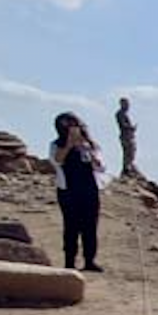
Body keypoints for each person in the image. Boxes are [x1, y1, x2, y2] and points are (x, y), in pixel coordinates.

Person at [49, 111, 104, 272]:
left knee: (90, 226)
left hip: (89, 189)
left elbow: (100, 167)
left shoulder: (91, 145)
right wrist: (69, 144)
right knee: (71, 226)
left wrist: (86, 149)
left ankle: (89, 260)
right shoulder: (56, 145)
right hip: (68, 190)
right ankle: (69, 261)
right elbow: (57, 160)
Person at [115, 97, 137, 177]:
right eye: (126, 104)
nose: (128, 106)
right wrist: (131, 127)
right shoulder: (120, 114)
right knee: (128, 152)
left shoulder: (124, 114)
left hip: (128, 135)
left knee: (132, 152)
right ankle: (126, 169)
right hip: (125, 136)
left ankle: (129, 167)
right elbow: (123, 125)